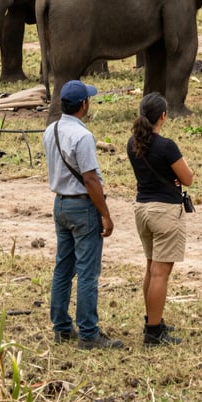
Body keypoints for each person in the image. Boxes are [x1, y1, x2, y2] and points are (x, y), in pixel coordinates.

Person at [43, 79, 125, 350]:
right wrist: (106, 214)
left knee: (62, 269)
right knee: (88, 273)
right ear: (84, 105)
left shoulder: (51, 129)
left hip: (60, 205)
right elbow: (90, 179)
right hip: (82, 206)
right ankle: (89, 333)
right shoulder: (83, 137)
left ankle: (61, 326)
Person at [127, 92, 193, 346]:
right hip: (165, 211)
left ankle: (152, 320)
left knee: (151, 268)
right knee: (160, 274)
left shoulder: (132, 143)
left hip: (142, 209)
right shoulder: (167, 146)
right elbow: (187, 178)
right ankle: (154, 331)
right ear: (163, 117)